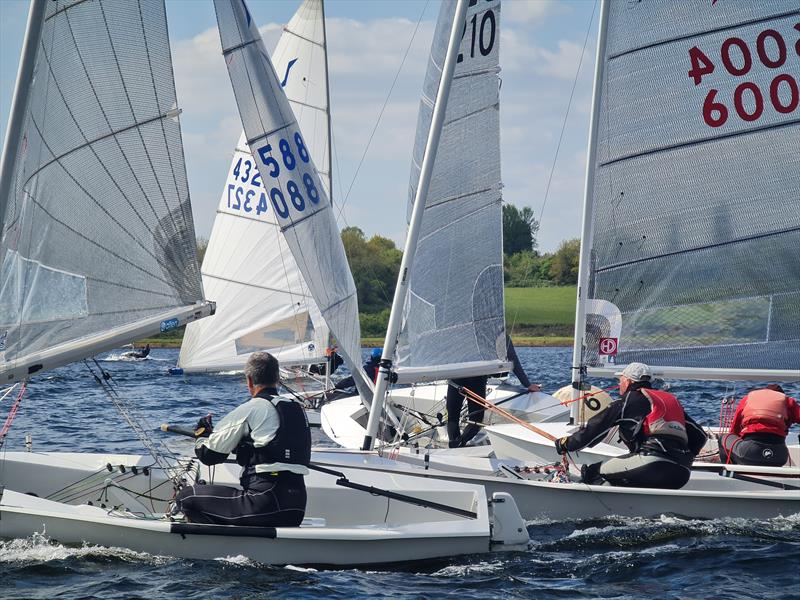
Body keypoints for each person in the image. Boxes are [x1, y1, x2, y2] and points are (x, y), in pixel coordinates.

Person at [174, 352, 310, 526]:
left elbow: (208, 455)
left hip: (264, 502)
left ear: (249, 380)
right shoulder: (297, 408)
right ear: (277, 379)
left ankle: (217, 546)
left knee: (187, 496)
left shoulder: (251, 408)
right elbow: (273, 446)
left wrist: (202, 436)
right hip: (296, 507)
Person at [553, 362, 707, 489]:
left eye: (620, 380)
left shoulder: (627, 401)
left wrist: (566, 444)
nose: (619, 384)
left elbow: (595, 429)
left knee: (592, 472)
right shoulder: (667, 401)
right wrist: (680, 457)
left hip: (652, 464)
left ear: (628, 381)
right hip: (682, 472)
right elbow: (700, 436)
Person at [447, 337, 542, 448]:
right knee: (476, 420)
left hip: (456, 375)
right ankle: (459, 443)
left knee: (453, 417)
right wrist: (527, 384)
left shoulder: (462, 332)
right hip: (476, 378)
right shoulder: (496, 330)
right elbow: (512, 359)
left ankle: (455, 445)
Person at [718, 384, 800, 466]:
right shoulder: (788, 402)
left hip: (750, 452)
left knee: (724, 437)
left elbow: (734, 431)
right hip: (780, 456)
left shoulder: (747, 399)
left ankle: (729, 472)